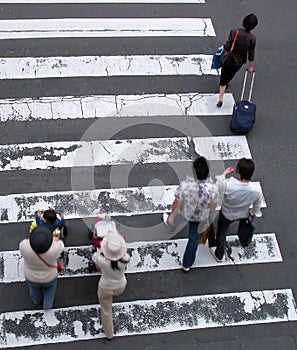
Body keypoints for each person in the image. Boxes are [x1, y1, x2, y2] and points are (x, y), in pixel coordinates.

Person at [163, 157, 220, 272]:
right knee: (193, 239)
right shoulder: (212, 188)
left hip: (185, 213)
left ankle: (171, 224)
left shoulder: (186, 186)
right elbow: (213, 206)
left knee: (178, 218)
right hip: (200, 216)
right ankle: (187, 264)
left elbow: (176, 202)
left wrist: (172, 215)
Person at [209, 158, 262, 262]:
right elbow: (257, 207)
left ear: (238, 172)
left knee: (222, 232)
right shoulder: (256, 190)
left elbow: (216, 188)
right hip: (243, 214)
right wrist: (252, 214)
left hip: (227, 214)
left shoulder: (228, 185)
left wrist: (224, 173)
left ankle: (219, 254)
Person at [92, 224, 130, 340]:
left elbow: (95, 256)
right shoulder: (125, 259)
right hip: (121, 285)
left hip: (105, 287)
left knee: (106, 310)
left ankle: (109, 333)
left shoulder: (101, 260)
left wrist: (102, 252)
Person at [217, 13, 258, 107]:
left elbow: (228, 45)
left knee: (224, 74)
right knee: (231, 74)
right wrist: (250, 67)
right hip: (239, 61)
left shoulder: (234, 32)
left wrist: (224, 49)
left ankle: (221, 98)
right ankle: (225, 83)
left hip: (229, 58)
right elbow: (251, 54)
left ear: (243, 22)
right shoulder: (252, 39)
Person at [19, 226, 64, 309]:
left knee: (34, 289)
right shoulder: (54, 250)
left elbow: (25, 242)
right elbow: (61, 244)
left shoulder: (24, 246)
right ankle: (47, 306)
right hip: (49, 276)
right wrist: (55, 240)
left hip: (30, 275)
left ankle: (36, 300)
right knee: (50, 290)